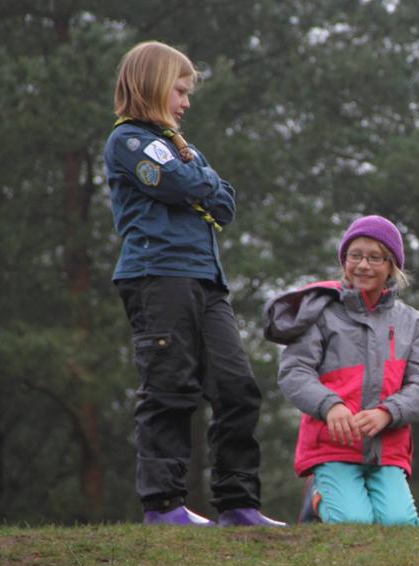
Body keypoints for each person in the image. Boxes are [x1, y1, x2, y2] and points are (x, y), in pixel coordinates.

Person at [106, 41, 284, 527]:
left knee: (238, 387)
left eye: (187, 93)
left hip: (208, 280)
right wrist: (197, 184)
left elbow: (225, 204)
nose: (185, 103)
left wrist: (196, 183)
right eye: (180, 91)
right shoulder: (129, 141)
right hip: (157, 275)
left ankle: (239, 504)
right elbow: (180, 186)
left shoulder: (184, 149)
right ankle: (163, 505)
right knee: (169, 387)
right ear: (152, 84)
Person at [264, 215, 419, 526]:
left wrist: (388, 412)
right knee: (353, 523)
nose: (363, 265)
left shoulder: (414, 323)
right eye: (354, 255)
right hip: (332, 445)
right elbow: (295, 372)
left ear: (392, 266)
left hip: (388, 449)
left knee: (400, 526)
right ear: (343, 260)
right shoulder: (319, 312)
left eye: (375, 257)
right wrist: (330, 406)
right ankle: (317, 495)